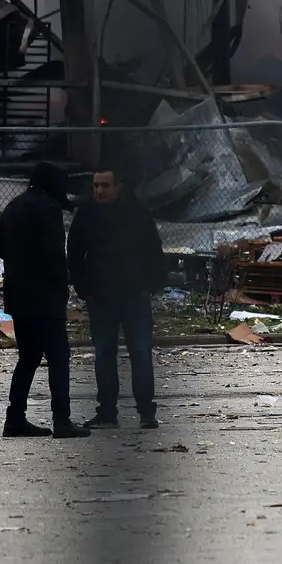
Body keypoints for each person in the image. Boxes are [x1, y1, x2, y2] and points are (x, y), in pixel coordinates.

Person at [0, 162, 90, 439]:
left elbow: (1, 248)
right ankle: (62, 420)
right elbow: (53, 256)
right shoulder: (48, 209)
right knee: (59, 357)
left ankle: (15, 418)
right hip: (45, 298)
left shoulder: (14, 206)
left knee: (29, 356)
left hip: (18, 296)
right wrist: (62, 289)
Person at [66, 166, 165, 430]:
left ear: (118, 186)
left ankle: (146, 412)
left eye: (104, 185)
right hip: (101, 296)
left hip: (134, 295)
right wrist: (84, 287)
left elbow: (153, 250)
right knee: (104, 355)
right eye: (96, 185)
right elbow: (74, 252)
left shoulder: (137, 214)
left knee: (141, 354)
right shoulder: (87, 215)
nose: (98, 190)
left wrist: (150, 285)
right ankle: (107, 412)